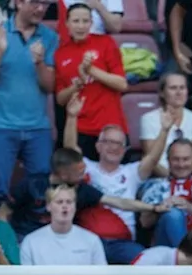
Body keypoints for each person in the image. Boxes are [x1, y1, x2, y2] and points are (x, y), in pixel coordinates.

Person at [0, 0, 58, 209]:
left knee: (40, 193)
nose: (41, 8)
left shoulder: (50, 37)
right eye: (35, 3)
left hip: (37, 127)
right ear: (19, 3)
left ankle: (32, 240)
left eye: (45, 4)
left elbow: (50, 87)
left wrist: (39, 63)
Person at [65, 113, 164, 264]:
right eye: (108, 142)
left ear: (125, 150)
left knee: (148, 263)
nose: (114, 147)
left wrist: (165, 129)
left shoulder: (132, 172)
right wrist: (72, 116)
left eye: (119, 144)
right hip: (89, 239)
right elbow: (70, 150)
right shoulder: (86, 168)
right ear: (98, 146)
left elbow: (152, 158)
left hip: (122, 242)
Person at [54, 2, 127, 159]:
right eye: (76, 21)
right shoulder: (61, 53)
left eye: (85, 21)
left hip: (109, 126)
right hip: (80, 129)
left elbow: (122, 84)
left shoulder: (106, 43)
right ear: (66, 24)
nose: (81, 26)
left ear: (91, 23)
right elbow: (60, 98)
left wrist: (91, 70)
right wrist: (75, 86)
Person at [139, 139, 192, 247]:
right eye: (176, 159)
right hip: (166, 248)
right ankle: (187, 258)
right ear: (168, 161)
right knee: (173, 214)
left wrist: (191, 207)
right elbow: (145, 222)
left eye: (186, 159)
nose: (181, 164)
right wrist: (160, 209)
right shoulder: (156, 186)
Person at [140, 73, 192, 177]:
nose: (178, 92)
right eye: (173, 88)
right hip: (161, 177)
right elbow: (151, 161)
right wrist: (173, 180)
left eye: (182, 88)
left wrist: (186, 180)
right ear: (162, 93)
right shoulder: (148, 119)